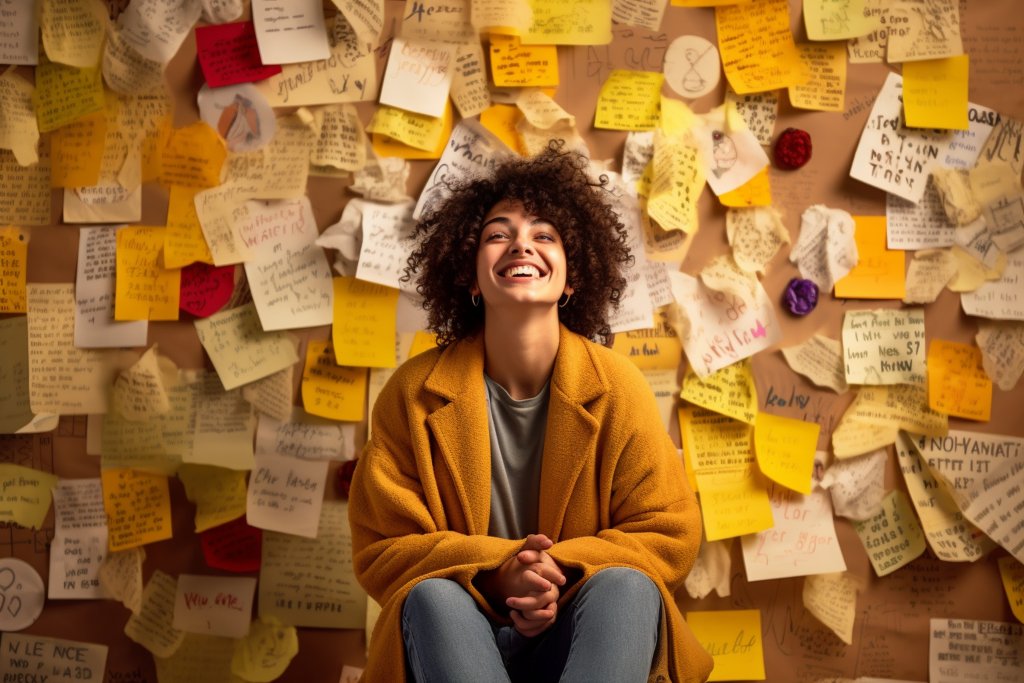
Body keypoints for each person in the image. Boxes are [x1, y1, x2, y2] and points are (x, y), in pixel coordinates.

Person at [348, 144, 712, 683]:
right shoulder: (411, 393)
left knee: (629, 586)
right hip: (458, 638)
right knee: (431, 597)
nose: (522, 243)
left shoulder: (619, 388)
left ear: (572, 278)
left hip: (583, 637)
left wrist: (557, 571)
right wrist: (498, 573)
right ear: (470, 276)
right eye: (498, 234)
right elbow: (384, 547)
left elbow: (669, 531)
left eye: (545, 235)